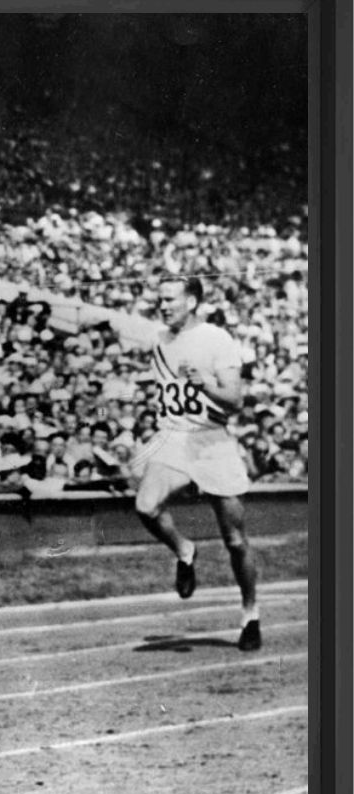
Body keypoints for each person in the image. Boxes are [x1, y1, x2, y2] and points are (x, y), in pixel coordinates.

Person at [130, 277, 260, 651]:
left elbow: (235, 401)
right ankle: (185, 550)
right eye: (160, 300)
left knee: (235, 541)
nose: (163, 305)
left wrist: (203, 384)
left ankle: (250, 615)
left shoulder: (216, 339)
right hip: (174, 436)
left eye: (169, 299)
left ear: (192, 300)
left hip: (212, 441)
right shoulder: (159, 338)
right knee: (146, 506)